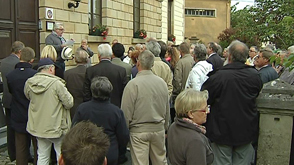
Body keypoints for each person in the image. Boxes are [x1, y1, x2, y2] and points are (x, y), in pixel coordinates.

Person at [201, 41, 263, 165]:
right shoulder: (254, 76)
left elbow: (204, 97)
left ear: (229, 56)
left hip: (222, 130)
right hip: (245, 129)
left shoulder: (219, 76)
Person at [121, 50, 170, 165]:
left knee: (140, 162)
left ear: (138, 63)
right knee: (160, 161)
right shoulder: (162, 83)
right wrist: (165, 126)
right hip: (158, 128)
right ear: (152, 65)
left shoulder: (133, 84)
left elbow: (126, 111)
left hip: (139, 130)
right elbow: (166, 107)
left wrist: (125, 131)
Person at [24, 58, 73, 165]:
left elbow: (28, 97)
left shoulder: (29, 82)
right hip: (56, 126)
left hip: (38, 125)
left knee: (42, 155)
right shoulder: (57, 84)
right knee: (61, 155)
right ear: (51, 69)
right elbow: (69, 103)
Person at [72, 77, 129, 165]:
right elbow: (123, 136)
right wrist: (121, 152)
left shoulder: (82, 109)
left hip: (87, 152)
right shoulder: (116, 111)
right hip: (109, 151)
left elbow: (74, 131)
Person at [6, 47, 38, 165]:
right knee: (37, 146)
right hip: (33, 113)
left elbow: (11, 91)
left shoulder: (10, 75)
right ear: (31, 60)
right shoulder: (35, 75)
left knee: (20, 147)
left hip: (18, 112)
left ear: (20, 57)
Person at [167, 89, 214, 165]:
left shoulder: (174, 126)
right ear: (191, 114)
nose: (207, 112)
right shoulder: (195, 141)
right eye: (204, 110)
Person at [0, 41, 25, 162]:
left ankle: (12, 154)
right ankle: (22, 153)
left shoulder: (2, 62)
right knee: (19, 128)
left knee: (10, 127)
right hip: (18, 100)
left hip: (7, 99)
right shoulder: (18, 64)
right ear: (20, 52)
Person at [64, 50, 88, 119]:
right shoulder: (91, 72)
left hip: (72, 107)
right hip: (87, 106)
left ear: (75, 59)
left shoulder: (67, 73)